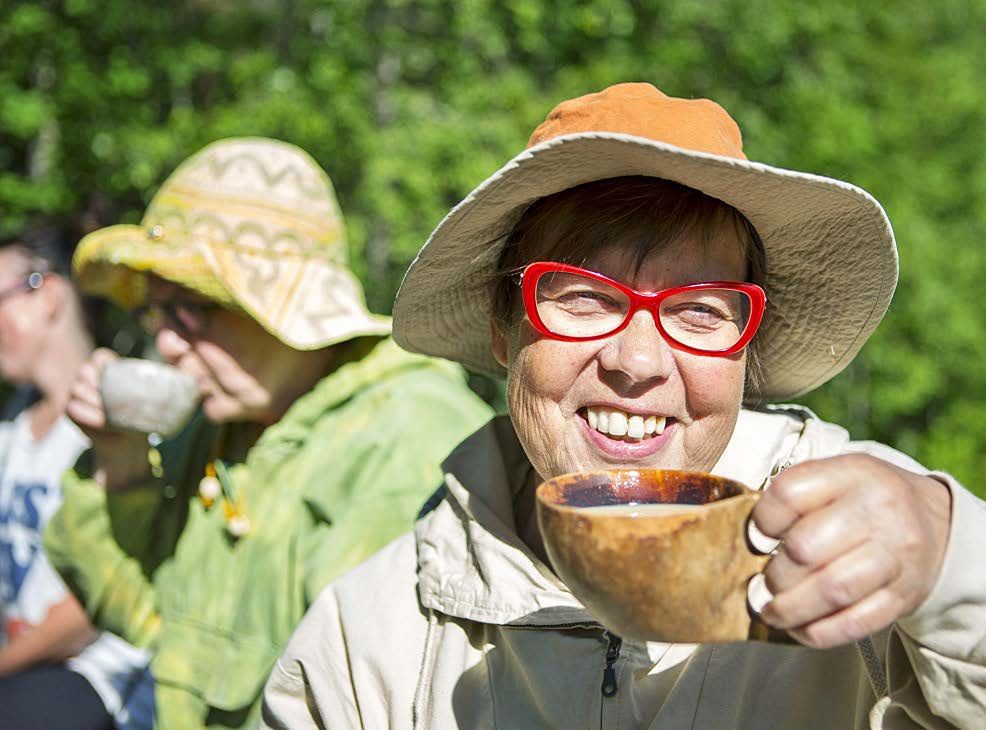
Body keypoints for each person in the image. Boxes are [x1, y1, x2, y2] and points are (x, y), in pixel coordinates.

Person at [262, 84, 986, 729]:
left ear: (745, 349)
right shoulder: (370, 637)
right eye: (583, 298)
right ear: (502, 327)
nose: (636, 362)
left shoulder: (873, 547)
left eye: (700, 310)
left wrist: (950, 559)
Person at [43, 137, 493, 729]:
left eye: (192, 310)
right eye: (157, 314)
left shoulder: (400, 437)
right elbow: (146, 617)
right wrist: (120, 463)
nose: (169, 344)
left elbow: (351, 700)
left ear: (276, 305)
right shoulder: (224, 426)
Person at [0, 222, 150, 730]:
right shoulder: (14, 433)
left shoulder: (121, 422)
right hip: (25, 668)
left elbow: (89, 611)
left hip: (102, 678)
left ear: (48, 295)